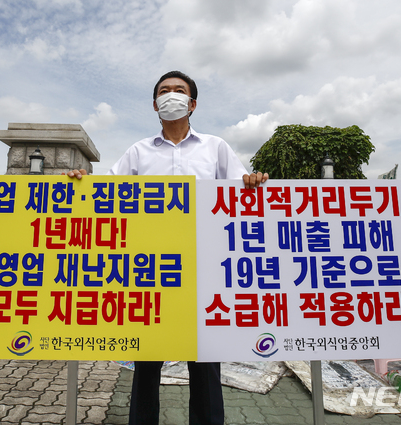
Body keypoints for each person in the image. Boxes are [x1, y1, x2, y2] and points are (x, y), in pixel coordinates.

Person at [67, 70, 268, 425]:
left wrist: (252, 181)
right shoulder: (138, 152)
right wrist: (84, 184)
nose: (170, 96)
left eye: (178, 91)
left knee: (205, 361)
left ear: (192, 104)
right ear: (154, 104)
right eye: (164, 91)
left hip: (204, 269)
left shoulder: (216, 148)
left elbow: (240, 193)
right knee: (147, 361)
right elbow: (106, 194)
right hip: (151, 270)